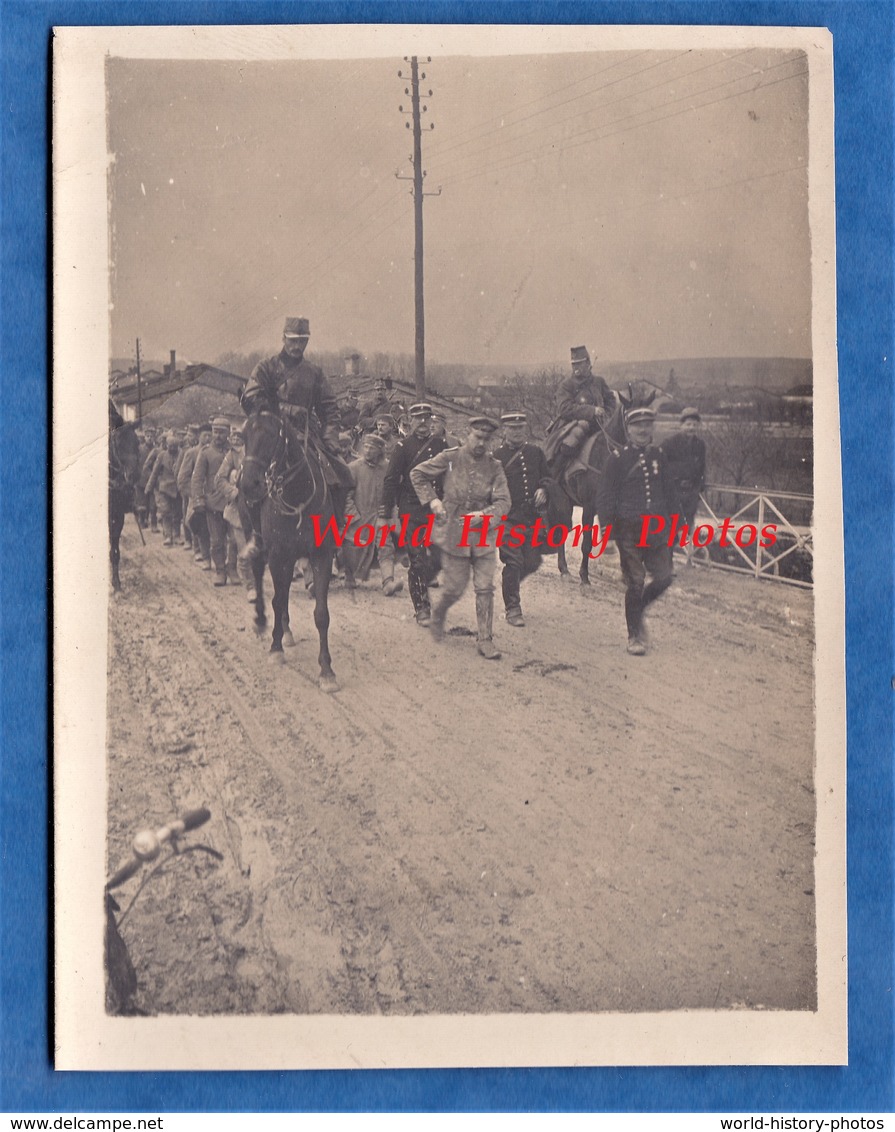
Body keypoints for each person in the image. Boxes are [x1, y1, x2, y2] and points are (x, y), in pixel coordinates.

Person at [241, 316, 353, 552]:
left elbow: (330, 408)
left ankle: (335, 531)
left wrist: (330, 438)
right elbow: (251, 398)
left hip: (306, 434)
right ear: (283, 338)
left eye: (302, 341)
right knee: (247, 478)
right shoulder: (266, 367)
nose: (297, 346)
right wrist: (286, 410)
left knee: (342, 473)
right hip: (270, 433)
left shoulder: (314, 372)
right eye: (293, 340)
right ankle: (257, 534)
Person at [410, 417, 511, 660]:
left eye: (486, 439)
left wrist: (485, 515)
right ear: (468, 434)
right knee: (455, 588)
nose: (481, 443)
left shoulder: (495, 466)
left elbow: (504, 502)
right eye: (477, 437)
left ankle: (485, 639)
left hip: (483, 532)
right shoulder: (451, 457)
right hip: (454, 529)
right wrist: (433, 500)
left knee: (485, 586)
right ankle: (439, 614)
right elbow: (417, 474)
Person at [595, 400, 680, 656]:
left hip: (657, 531)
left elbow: (670, 493)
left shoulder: (659, 456)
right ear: (628, 429)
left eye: (647, 425)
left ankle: (638, 607)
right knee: (635, 582)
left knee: (664, 577)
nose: (643, 430)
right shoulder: (617, 459)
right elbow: (605, 497)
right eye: (637, 426)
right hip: (628, 531)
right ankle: (634, 635)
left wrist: (679, 527)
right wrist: (606, 534)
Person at [381, 402, 449, 627]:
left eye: (426, 419)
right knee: (418, 559)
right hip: (412, 509)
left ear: (432, 421)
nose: (423, 423)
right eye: (418, 419)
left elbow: (449, 478)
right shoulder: (403, 447)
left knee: (439, 557)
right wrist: (386, 510)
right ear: (410, 421)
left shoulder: (441, 445)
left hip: (438, 510)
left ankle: (425, 587)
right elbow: (391, 480)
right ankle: (421, 607)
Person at [492, 411, 551, 627]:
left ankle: (511, 585)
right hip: (508, 519)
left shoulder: (535, 452)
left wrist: (544, 489)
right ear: (504, 430)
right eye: (512, 428)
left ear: (525, 428)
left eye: (520, 427)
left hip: (532, 518)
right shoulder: (497, 457)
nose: (516, 432)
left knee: (533, 562)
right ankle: (513, 608)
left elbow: (547, 476)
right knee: (514, 561)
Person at [342, 433, 403, 596]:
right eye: (366, 447)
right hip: (358, 517)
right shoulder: (353, 468)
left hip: (381, 517)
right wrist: (353, 516)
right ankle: (349, 575)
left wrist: (391, 514)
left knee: (386, 545)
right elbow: (346, 496)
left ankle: (388, 581)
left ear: (380, 450)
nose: (368, 451)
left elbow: (395, 492)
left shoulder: (388, 468)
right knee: (352, 547)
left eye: (372, 448)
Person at [547, 345, 616, 484]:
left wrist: (606, 414)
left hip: (599, 425)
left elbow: (611, 401)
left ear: (588, 363)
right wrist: (591, 411)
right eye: (574, 364)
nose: (576, 367)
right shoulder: (566, 385)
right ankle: (553, 480)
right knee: (571, 442)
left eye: (579, 363)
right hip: (571, 425)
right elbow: (564, 409)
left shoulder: (599, 382)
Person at [191, 417, 232, 586]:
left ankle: (233, 568)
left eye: (222, 432)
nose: (218, 436)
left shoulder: (235, 451)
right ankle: (220, 571)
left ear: (228, 433)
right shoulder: (206, 453)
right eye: (216, 432)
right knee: (216, 541)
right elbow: (197, 479)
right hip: (213, 503)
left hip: (232, 502)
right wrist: (198, 500)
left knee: (235, 540)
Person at [660, 407, 707, 532]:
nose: (691, 428)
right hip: (672, 492)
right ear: (681, 425)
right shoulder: (669, 443)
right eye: (688, 424)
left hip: (690, 494)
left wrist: (699, 487)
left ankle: (686, 550)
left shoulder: (700, 445)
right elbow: (660, 466)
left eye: (694, 425)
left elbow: (702, 467)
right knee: (669, 527)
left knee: (686, 528)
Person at [180, 422, 212, 564]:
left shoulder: (214, 453)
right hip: (195, 495)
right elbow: (182, 478)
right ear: (199, 436)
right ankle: (197, 550)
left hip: (212, 496)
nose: (208, 439)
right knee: (196, 522)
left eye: (210, 436)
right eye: (205, 436)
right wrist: (193, 494)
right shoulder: (191, 453)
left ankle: (209, 552)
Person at [145, 430, 182, 546]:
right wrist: (149, 487)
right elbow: (154, 472)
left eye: (174, 446)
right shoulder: (161, 455)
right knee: (166, 512)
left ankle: (176, 535)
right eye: (170, 446)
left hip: (177, 489)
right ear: (166, 445)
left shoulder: (181, 455)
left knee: (177, 513)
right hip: (164, 488)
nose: (172, 448)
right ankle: (167, 536)